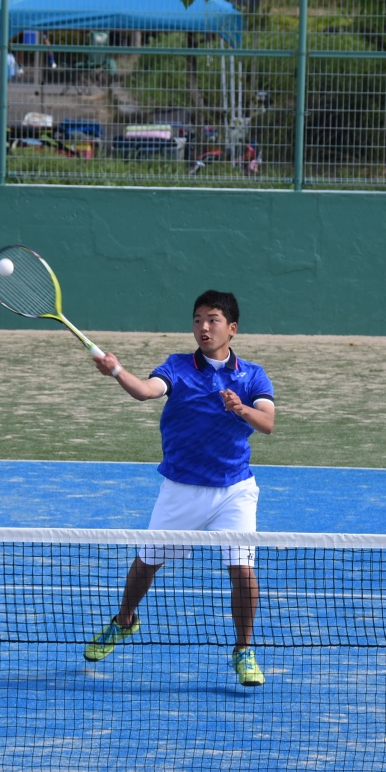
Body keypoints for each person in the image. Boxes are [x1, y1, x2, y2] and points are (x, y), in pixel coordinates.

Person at [83, 290, 276, 687]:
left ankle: (243, 650)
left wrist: (239, 408)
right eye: (197, 320)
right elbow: (145, 391)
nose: (203, 327)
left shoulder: (253, 375)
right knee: (148, 562)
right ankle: (124, 621)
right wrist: (117, 371)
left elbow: (267, 423)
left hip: (235, 489)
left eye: (213, 320)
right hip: (182, 487)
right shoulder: (177, 367)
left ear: (232, 328)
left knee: (242, 569)